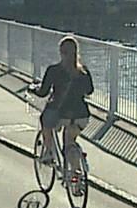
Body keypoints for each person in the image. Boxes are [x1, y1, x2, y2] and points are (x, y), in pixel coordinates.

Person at [32, 36, 94, 179]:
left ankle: (48, 151)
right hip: (81, 115)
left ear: (61, 52)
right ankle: (76, 173)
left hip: (61, 114)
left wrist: (33, 89)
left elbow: (43, 92)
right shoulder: (84, 71)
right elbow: (90, 91)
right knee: (70, 142)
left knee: (45, 120)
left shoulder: (53, 70)